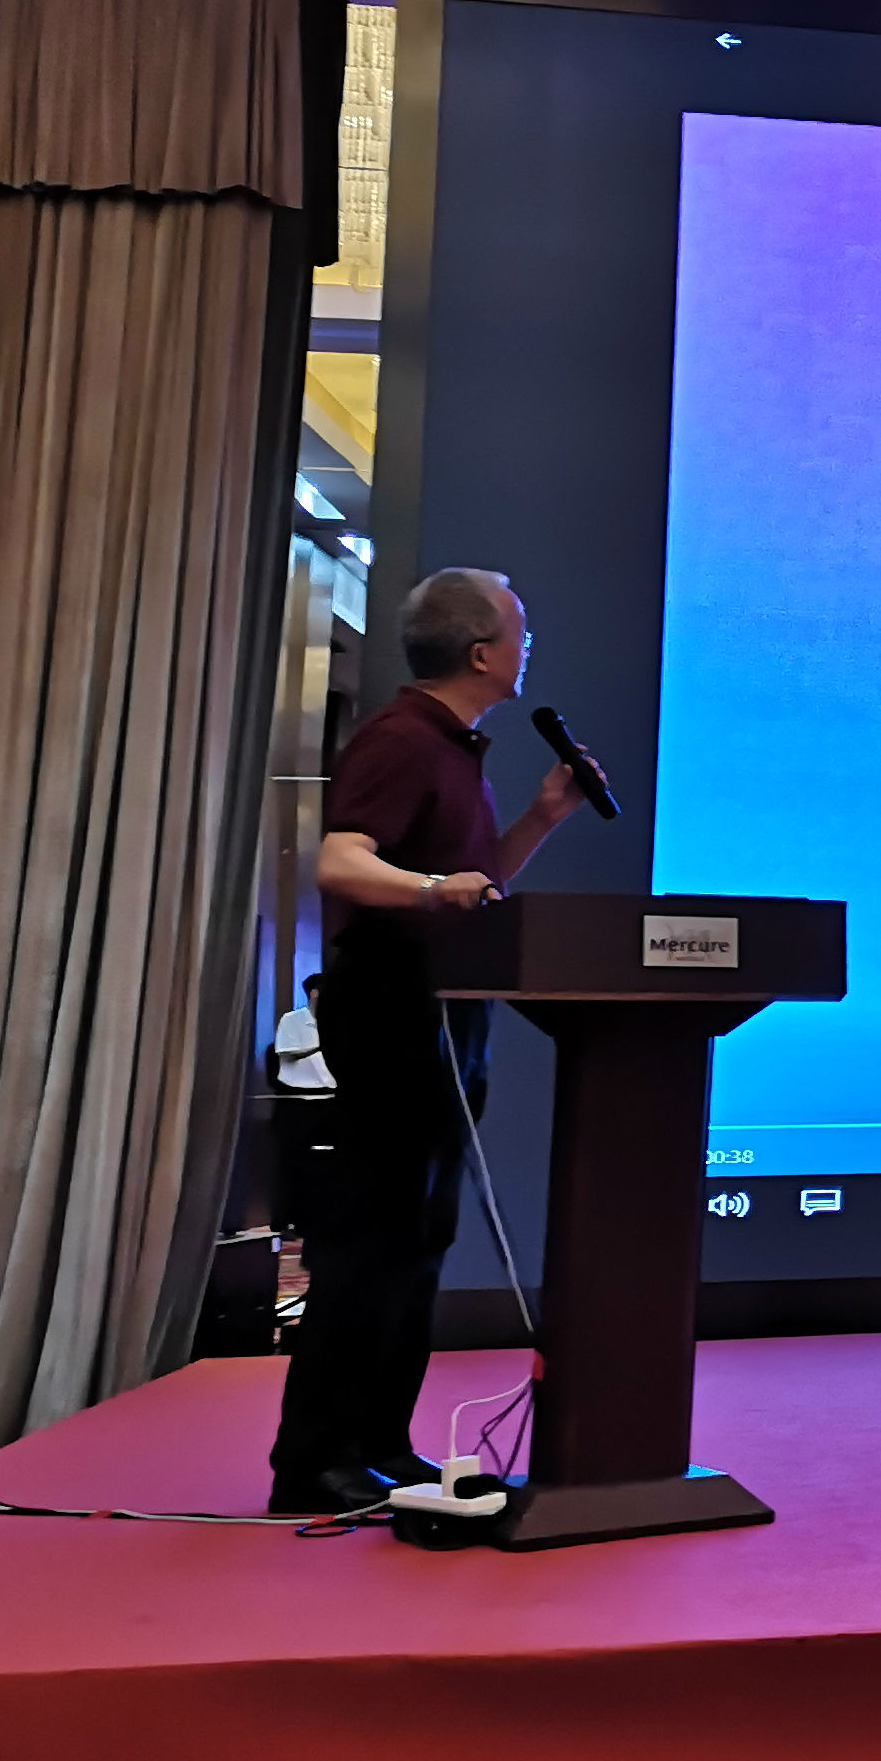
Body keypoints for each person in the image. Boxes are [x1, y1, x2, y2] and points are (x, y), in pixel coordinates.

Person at [268, 567, 582, 1516]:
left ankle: (378, 1442)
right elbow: (341, 860)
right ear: (482, 653)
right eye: (521, 631)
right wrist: (430, 889)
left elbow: (471, 886)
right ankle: (312, 1459)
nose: (529, 646)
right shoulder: (403, 739)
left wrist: (543, 817)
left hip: (446, 1014)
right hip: (393, 1012)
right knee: (373, 1239)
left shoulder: (455, 750)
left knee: (417, 1237)